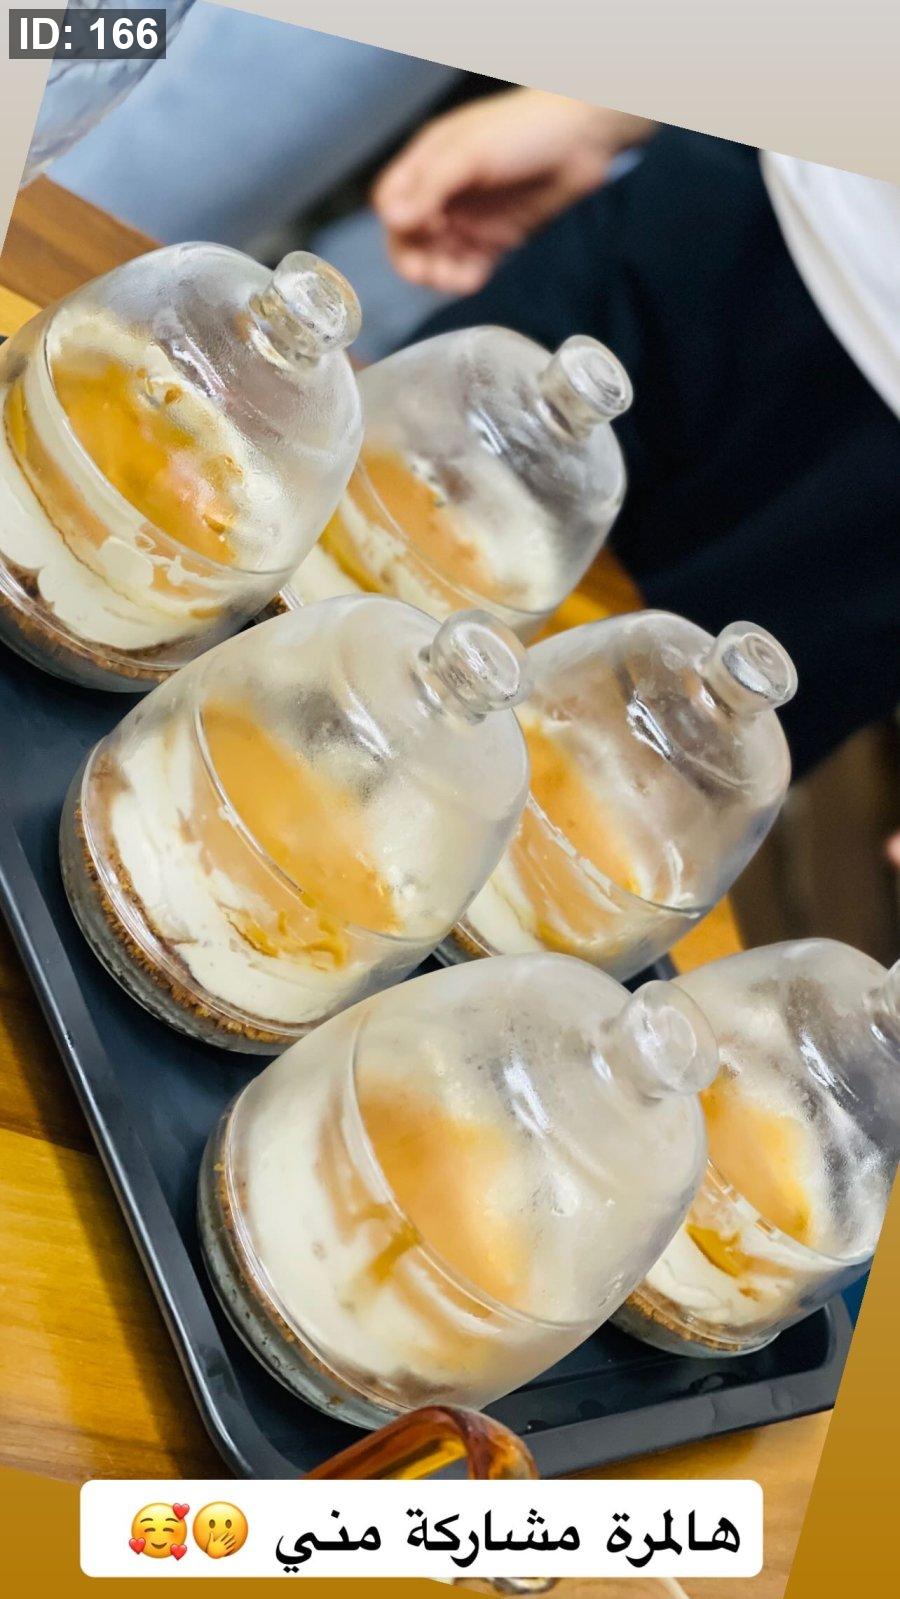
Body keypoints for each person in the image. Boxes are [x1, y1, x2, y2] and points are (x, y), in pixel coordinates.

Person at [373, 90, 900, 780]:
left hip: (869, 544)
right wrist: (604, 108)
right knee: (336, 567)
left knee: (579, 800)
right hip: (732, 208)